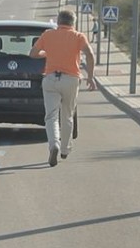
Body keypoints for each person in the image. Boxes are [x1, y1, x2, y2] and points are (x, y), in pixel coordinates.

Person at [29, 9, 96, 167]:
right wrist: (91, 77)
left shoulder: (48, 34)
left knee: (51, 116)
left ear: (58, 22)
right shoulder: (78, 36)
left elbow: (33, 53)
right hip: (71, 79)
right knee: (67, 115)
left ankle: (54, 145)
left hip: (51, 79)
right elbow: (90, 54)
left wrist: (46, 53)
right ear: (73, 22)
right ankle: (65, 149)